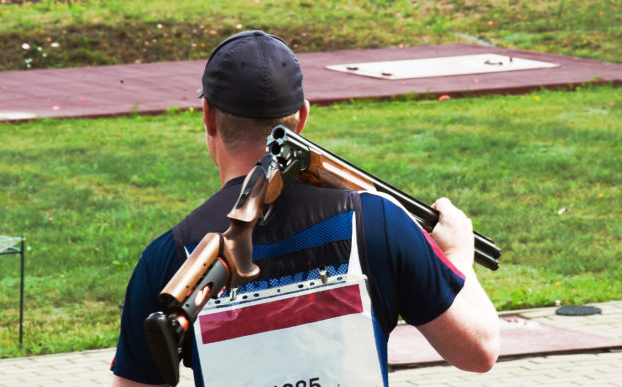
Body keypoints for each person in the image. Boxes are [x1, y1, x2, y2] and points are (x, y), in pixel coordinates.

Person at [111, 30, 500, 387]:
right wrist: (457, 258)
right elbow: (480, 350)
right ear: (302, 117)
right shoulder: (380, 223)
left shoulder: (168, 258)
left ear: (208, 116)